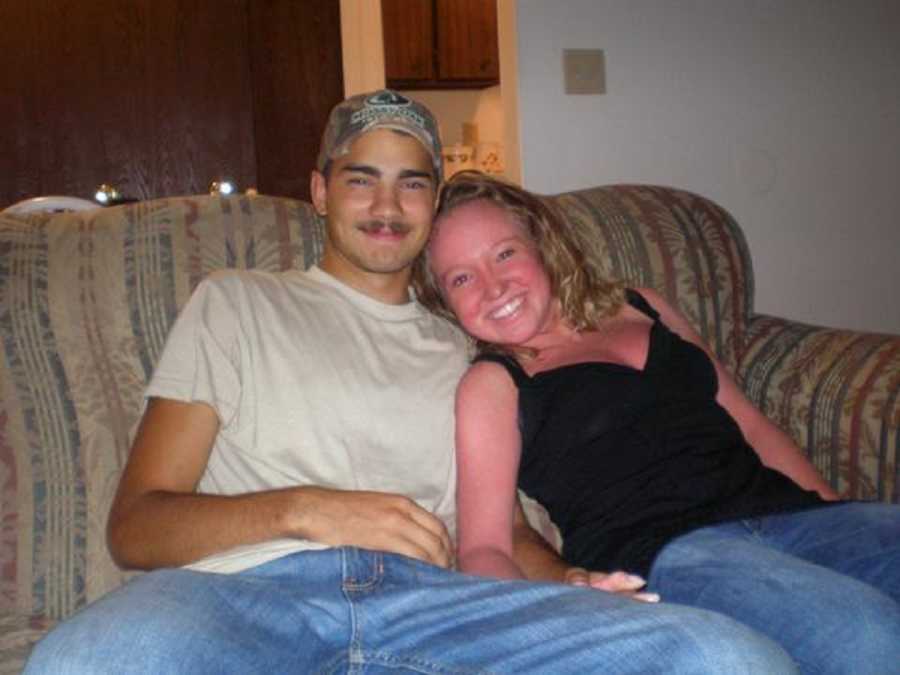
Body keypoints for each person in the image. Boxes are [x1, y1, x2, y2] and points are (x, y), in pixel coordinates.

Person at [23, 90, 797, 674]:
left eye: (413, 183)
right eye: (362, 180)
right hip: (249, 595)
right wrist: (310, 512)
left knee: (723, 656)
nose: (388, 206)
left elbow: (506, 534)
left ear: (435, 201)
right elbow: (137, 525)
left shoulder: (478, 349)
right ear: (321, 192)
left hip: (437, 604)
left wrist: (569, 580)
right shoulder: (235, 303)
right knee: (80, 661)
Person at [413, 170, 900, 675]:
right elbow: (484, 548)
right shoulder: (494, 384)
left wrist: (833, 515)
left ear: (542, 245)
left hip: (787, 514)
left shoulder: (644, 304)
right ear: (444, 302)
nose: (494, 287)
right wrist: (566, 593)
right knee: (867, 634)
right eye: (462, 278)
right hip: (674, 553)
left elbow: (751, 425)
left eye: (505, 253)